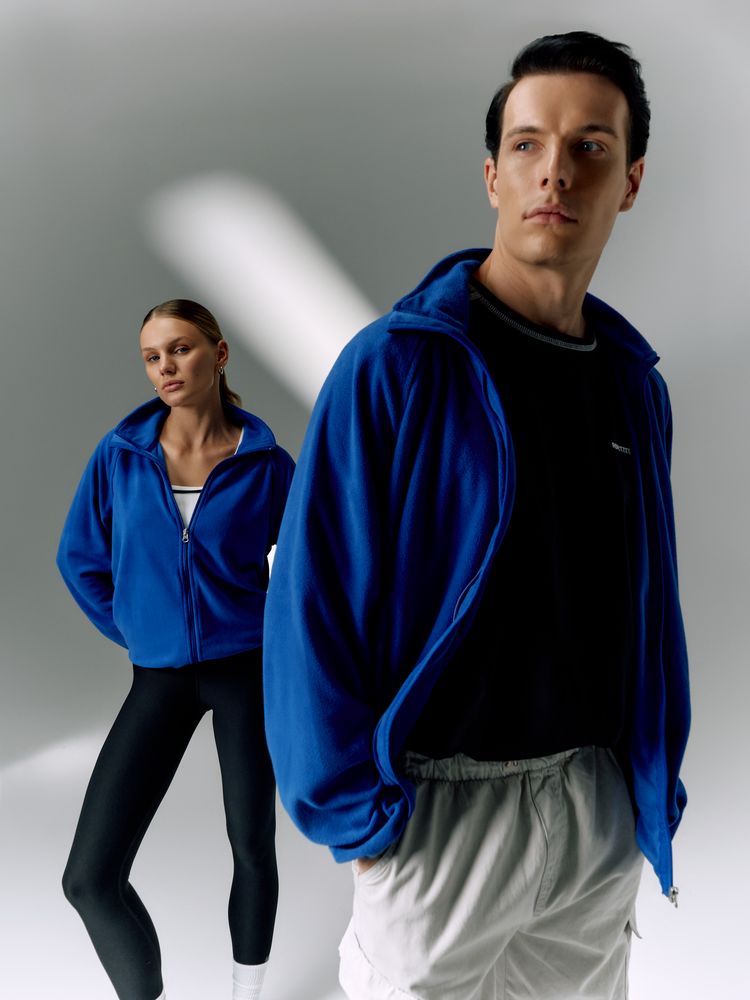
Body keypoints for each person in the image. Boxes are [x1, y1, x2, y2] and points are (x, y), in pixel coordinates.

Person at [263, 30, 690, 1000]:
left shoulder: (632, 385)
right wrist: (358, 822)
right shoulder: (396, 366)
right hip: (438, 812)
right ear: (493, 174)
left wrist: (643, 789)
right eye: (528, 143)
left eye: (590, 146)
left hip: (593, 807)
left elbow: (646, 604)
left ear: (629, 181)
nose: (556, 171)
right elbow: (311, 602)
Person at [57, 300, 294, 1000]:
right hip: (158, 676)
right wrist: (140, 630)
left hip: (245, 672)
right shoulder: (121, 456)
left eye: (181, 349)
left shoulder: (268, 464)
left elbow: (308, 572)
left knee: (251, 845)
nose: (166, 366)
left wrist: (276, 634)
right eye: (152, 356)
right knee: (89, 878)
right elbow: (79, 559)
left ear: (218, 355)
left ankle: (246, 993)